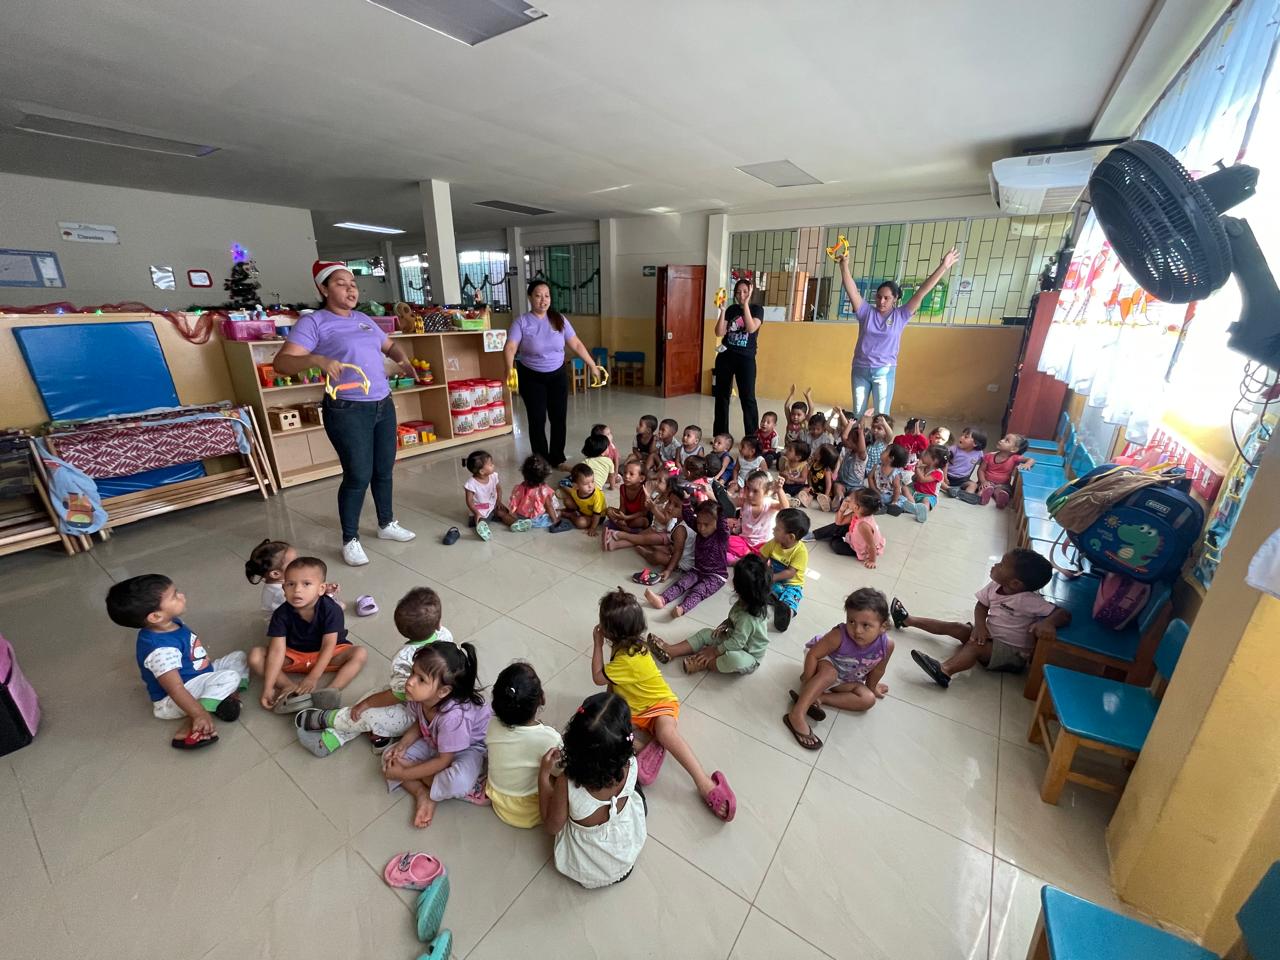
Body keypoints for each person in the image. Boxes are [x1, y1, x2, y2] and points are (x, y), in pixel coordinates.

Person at [274, 261, 417, 567]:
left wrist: (403, 361)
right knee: (358, 475)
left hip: (382, 403)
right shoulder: (313, 323)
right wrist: (316, 359)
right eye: (341, 283)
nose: (351, 289)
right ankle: (350, 539)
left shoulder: (364, 319)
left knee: (383, 469)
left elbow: (389, 346)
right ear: (323, 289)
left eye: (353, 284)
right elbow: (282, 363)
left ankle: (386, 523)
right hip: (347, 409)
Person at [592, 589, 736, 820]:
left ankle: (703, 782)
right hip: (636, 709)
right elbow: (613, 683)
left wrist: (597, 644)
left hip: (660, 704)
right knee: (602, 726)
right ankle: (647, 745)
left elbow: (599, 677)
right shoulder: (630, 646)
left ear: (609, 631)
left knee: (666, 732)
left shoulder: (628, 658)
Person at [293, 586, 454, 757]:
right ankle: (380, 738)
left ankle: (328, 725)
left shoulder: (404, 658)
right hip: (425, 699)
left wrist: (366, 704)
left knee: (365, 712)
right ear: (438, 622)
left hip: (419, 713)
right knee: (374, 697)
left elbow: (398, 695)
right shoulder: (445, 635)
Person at [107, 574, 248, 750]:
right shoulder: (160, 650)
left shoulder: (171, 622)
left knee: (239, 657)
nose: (181, 595)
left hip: (199, 675)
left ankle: (224, 696)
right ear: (155, 616)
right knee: (230, 677)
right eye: (174, 596)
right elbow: (175, 689)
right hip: (174, 698)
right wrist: (198, 714)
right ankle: (196, 719)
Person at [897, 549, 1071, 687]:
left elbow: (1063, 613)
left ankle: (944, 671)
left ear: (1015, 583)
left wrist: (1048, 623)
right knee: (957, 627)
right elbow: (981, 606)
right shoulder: (995, 586)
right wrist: (980, 626)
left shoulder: (1028, 600)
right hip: (989, 637)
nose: (996, 565)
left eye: (1001, 565)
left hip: (1012, 654)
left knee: (974, 647)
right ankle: (907, 620)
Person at [538, 692, 647, 888]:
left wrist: (544, 775)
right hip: (627, 850)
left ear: (573, 741)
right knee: (636, 794)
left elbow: (552, 827)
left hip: (589, 869)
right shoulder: (630, 763)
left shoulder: (566, 782)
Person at [836, 246, 959, 416]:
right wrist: (844, 266)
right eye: (879, 297)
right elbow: (852, 290)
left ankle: (879, 435)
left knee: (882, 416)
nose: (881, 301)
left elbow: (922, 291)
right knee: (857, 414)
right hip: (860, 369)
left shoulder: (901, 315)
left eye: (887, 298)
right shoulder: (865, 312)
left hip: (884, 371)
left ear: (895, 299)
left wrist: (943, 266)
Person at [382, 641, 491, 828]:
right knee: (389, 757)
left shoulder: (453, 717)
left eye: (421, 679)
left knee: (459, 783)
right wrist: (402, 745)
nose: (410, 682)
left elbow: (443, 760)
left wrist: (406, 772)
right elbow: (420, 723)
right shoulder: (418, 696)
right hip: (435, 740)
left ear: (443, 691)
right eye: (412, 672)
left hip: (468, 747)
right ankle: (422, 793)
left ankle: (416, 774)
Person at [503, 279, 604, 470]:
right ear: (530, 297)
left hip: (557, 375)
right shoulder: (522, 322)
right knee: (537, 419)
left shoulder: (559, 319)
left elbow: (576, 344)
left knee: (558, 418)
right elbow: (510, 346)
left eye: (547, 296)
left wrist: (592, 365)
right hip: (531, 377)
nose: (543, 300)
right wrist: (510, 369)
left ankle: (557, 458)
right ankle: (541, 461)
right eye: (538, 296)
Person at [249, 556, 366, 711]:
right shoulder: (280, 614)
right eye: (291, 584)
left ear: (321, 589)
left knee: (360, 653)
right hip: (295, 656)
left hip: (327, 655)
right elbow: (277, 650)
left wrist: (313, 678)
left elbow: (329, 645)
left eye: (306, 584)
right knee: (256, 656)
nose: (297, 590)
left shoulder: (332, 610)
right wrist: (268, 687)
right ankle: (287, 686)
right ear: (283, 588)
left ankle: (332, 690)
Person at [784, 588, 895, 751]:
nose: (857, 630)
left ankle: (819, 697)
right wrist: (807, 682)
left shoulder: (887, 645)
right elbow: (813, 655)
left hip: (847, 678)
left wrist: (872, 687)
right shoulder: (839, 635)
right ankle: (797, 713)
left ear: (883, 626)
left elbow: (878, 669)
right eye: (851, 621)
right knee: (830, 673)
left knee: (868, 699)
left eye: (866, 625)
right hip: (823, 662)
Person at [648, 554, 771, 675]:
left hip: (748, 653)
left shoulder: (748, 618)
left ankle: (704, 663)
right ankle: (671, 651)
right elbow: (734, 620)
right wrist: (725, 625)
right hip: (734, 637)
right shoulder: (746, 601)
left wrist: (714, 652)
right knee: (707, 633)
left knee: (734, 659)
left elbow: (737, 643)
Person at [486, 662, 563, 828]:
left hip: (498, 800)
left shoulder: (491, 724)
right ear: (542, 699)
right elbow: (560, 771)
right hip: (531, 810)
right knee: (564, 778)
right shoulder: (550, 739)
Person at [644, 499, 729, 617]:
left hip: (716, 576)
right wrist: (686, 500)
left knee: (699, 591)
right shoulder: (699, 530)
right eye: (699, 523)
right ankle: (662, 599)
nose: (701, 528)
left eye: (706, 525)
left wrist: (721, 510)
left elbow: (723, 523)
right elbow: (688, 517)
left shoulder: (721, 535)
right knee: (681, 583)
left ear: (717, 523)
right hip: (698, 570)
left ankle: (683, 608)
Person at [712, 278, 764, 438]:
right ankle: (721, 435)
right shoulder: (731, 309)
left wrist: (746, 304)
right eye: (738, 292)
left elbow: (751, 328)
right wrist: (722, 310)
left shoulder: (757, 309)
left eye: (745, 292)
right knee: (721, 396)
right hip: (725, 357)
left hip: (746, 359)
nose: (741, 295)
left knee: (748, 398)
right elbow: (719, 332)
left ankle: (752, 437)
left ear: (750, 292)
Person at [244, 538, 340, 613]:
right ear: (275, 574)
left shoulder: (283, 581)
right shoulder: (280, 593)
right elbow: (305, 605)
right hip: (285, 625)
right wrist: (326, 594)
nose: (299, 563)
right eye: (293, 562)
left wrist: (322, 589)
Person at [463, 450, 530, 541]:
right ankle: (483, 530)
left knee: (502, 513)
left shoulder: (493, 476)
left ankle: (516, 524)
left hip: (493, 505)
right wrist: (476, 512)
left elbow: (498, 489)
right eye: (490, 465)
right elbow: (469, 501)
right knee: (481, 519)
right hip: (480, 509)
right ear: (482, 471)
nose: (493, 465)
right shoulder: (471, 484)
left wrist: (498, 501)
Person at [761, 508, 810, 631]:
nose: (773, 529)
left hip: (791, 584)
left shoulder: (800, 551)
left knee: (791, 599)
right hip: (773, 580)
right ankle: (771, 598)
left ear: (791, 537)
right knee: (760, 587)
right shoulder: (773, 543)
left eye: (777, 528)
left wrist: (772, 577)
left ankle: (787, 613)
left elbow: (790, 573)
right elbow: (762, 558)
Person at [815, 488, 885, 568]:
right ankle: (816, 534)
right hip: (854, 536)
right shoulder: (857, 513)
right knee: (837, 527)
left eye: (851, 499)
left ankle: (832, 535)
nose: (847, 499)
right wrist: (842, 509)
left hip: (860, 548)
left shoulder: (863, 525)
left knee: (836, 546)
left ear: (856, 507)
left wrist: (872, 561)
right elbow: (839, 522)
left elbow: (871, 545)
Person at [965, 432, 1037, 508]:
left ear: (1014, 449)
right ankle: (984, 497)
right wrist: (983, 481)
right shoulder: (989, 456)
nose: (1001, 440)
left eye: (1006, 441)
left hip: (1002, 485)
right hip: (987, 482)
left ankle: (1000, 500)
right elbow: (981, 470)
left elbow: (1031, 460)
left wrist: (1027, 464)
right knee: (981, 492)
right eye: (1003, 438)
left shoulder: (1014, 458)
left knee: (1000, 492)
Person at [509, 454, 566, 530]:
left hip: (521, 516)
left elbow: (514, 502)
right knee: (558, 513)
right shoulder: (543, 490)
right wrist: (555, 520)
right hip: (537, 520)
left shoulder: (519, 487)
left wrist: (513, 513)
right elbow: (549, 507)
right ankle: (531, 523)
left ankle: (522, 522)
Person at [832, 408, 872, 506]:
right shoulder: (849, 449)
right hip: (842, 482)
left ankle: (848, 501)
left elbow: (862, 449)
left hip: (856, 486)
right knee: (837, 486)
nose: (847, 440)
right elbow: (844, 437)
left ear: (859, 444)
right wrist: (850, 424)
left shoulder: (861, 456)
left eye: (851, 440)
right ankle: (839, 498)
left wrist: (861, 432)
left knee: (856, 495)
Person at [560, 462, 608, 535]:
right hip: (582, 510)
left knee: (580, 523)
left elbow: (597, 514)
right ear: (576, 486)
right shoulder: (575, 490)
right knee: (567, 501)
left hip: (596, 517)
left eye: (592, 481)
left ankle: (571, 515)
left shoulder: (597, 495)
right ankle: (569, 512)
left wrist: (593, 528)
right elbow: (568, 490)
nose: (590, 486)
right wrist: (562, 487)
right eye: (586, 484)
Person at [908, 444, 949, 523]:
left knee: (926, 501)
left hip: (929, 495)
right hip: (916, 492)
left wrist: (917, 468)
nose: (923, 454)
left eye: (926, 453)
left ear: (935, 460)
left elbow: (922, 480)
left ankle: (923, 511)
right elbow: (914, 479)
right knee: (905, 488)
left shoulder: (938, 473)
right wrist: (917, 472)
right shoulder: (924, 467)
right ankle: (913, 505)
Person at [943, 427, 987, 498]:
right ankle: (949, 489)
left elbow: (984, 463)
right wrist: (945, 477)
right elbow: (945, 463)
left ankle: (966, 496)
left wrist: (981, 481)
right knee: (938, 481)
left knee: (973, 485)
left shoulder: (979, 453)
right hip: (948, 476)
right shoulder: (953, 449)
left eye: (966, 437)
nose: (961, 437)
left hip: (962, 479)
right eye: (962, 435)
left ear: (975, 444)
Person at [870, 443, 913, 515]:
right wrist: (874, 490)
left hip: (890, 497)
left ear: (891, 458)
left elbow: (897, 489)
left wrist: (894, 502)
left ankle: (909, 508)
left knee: (901, 499)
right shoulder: (877, 466)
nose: (882, 451)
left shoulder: (895, 474)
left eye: (885, 451)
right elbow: (870, 477)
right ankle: (883, 507)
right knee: (867, 496)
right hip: (877, 494)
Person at [798, 442, 839, 511]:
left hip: (824, 491)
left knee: (827, 498)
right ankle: (806, 502)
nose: (815, 450)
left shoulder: (826, 469)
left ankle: (826, 503)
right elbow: (809, 475)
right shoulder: (814, 464)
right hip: (815, 489)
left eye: (817, 450)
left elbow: (828, 483)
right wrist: (810, 486)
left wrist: (826, 494)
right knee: (807, 492)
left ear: (820, 457)